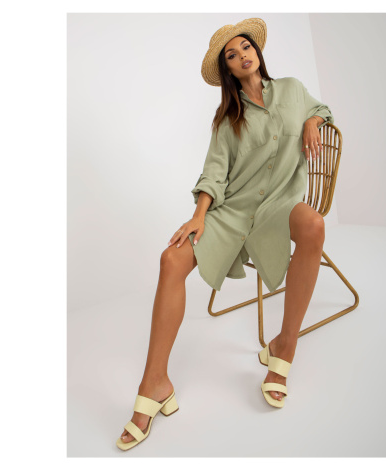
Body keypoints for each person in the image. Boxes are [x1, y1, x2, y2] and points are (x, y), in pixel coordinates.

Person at [116, 17, 334, 451]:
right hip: (233, 210)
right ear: (228, 70)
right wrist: (199, 215)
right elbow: (215, 173)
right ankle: (155, 382)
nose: (242, 56)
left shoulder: (292, 90)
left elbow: (321, 110)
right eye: (231, 56)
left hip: (279, 206)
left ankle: (284, 346)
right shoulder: (226, 120)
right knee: (171, 258)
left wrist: (313, 119)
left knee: (314, 224)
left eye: (245, 47)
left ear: (257, 51)